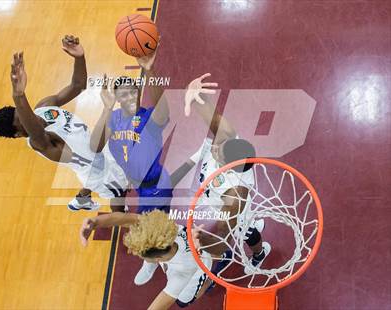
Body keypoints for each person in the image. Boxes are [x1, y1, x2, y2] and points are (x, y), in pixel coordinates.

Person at [0, 35, 127, 211]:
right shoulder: (39, 142)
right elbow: (37, 131)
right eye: (23, 120)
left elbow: (77, 85)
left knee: (98, 158)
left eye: (23, 112)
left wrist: (79, 57)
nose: (29, 115)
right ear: (18, 133)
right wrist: (18, 95)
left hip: (96, 151)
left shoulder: (44, 106)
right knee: (119, 195)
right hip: (98, 173)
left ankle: (82, 199)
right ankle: (125, 224)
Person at [90, 44, 173, 284]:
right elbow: (95, 146)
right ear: (116, 98)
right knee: (151, 224)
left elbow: (163, 109)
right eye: (122, 94)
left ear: (139, 93)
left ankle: (154, 260)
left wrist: (150, 70)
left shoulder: (148, 117)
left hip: (157, 187)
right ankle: (161, 251)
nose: (128, 97)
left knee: (146, 229)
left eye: (132, 92)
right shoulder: (114, 118)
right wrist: (105, 109)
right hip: (138, 185)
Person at [173, 73, 271, 271]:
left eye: (219, 151)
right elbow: (213, 117)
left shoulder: (236, 195)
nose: (215, 146)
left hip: (234, 211)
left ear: (230, 167)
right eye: (220, 145)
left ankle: (260, 252)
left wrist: (200, 246)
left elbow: (223, 234)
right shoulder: (228, 140)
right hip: (214, 196)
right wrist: (194, 94)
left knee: (245, 232)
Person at [80, 210, 213, 310]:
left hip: (198, 270)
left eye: (141, 256)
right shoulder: (163, 229)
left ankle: (209, 282)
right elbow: (123, 218)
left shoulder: (182, 273)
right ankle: (149, 266)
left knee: (183, 301)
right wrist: (95, 222)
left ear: (158, 258)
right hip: (181, 255)